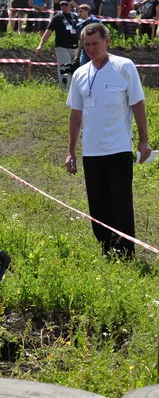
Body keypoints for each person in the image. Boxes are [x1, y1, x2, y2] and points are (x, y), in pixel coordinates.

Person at [65, 23, 151, 259]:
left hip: (118, 148)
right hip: (91, 151)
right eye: (87, 44)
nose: (91, 49)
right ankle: (106, 248)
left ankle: (125, 251)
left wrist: (144, 141)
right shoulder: (80, 74)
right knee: (97, 204)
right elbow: (76, 115)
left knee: (121, 202)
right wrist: (71, 152)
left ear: (107, 41)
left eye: (96, 44)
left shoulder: (124, 67)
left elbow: (138, 105)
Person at [35, 0, 78, 89]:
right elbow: (48, 31)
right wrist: (41, 45)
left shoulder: (74, 16)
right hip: (62, 47)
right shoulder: (57, 17)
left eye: (65, 4)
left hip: (74, 47)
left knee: (75, 69)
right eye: (61, 5)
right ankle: (65, 90)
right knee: (64, 68)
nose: (63, 6)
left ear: (70, 5)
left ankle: (74, 90)